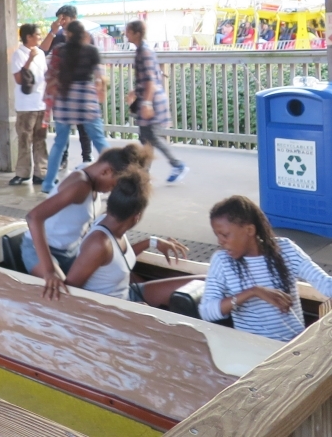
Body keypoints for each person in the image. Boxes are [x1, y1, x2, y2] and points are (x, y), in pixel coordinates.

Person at [22, 144, 150, 296]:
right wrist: (49, 271)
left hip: (69, 251)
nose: (111, 191)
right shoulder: (81, 185)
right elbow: (33, 217)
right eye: (113, 185)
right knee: (65, 294)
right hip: (39, 250)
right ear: (106, 171)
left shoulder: (93, 175)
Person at [200, 196, 332, 342]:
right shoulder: (222, 261)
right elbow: (206, 311)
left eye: (225, 235)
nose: (220, 241)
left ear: (249, 230)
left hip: (292, 345)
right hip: (252, 348)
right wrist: (253, 292)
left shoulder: (286, 250)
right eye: (217, 235)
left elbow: (324, 283)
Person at [58, 166, 193, 303]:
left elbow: (117, 260)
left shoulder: (112, 222)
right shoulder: (98, 243)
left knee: (199, 282)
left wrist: (152, 242)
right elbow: (70, 290)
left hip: (129, 294)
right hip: (114, 309)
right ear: (137, 216)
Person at [41, 21, 110, 194]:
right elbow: (100, 77)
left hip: (65, 98)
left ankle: (48, 182)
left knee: (59, 142)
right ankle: (118, 174)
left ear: (68, 34)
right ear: (83, 34)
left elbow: (49, 73)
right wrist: (101, 91)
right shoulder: (92, 50)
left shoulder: (59, 51)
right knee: (99, 139)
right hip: (86, 97)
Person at [125, 20, 188, 184]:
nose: (126, 34)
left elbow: (151, 81)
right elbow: (149, 77)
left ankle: (176, 164)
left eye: (128, 31)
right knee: (146, 137)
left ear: (136, 33)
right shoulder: (142, 50)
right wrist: (136, 92)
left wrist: (146, 103)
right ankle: (144, 174)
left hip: (151, 99)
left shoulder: (144, 52)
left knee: (150, 136)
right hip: (149, 97)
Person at [40, 4, 93, 167]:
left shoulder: (86, 36)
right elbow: (43, 50)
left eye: (64, 18)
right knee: (63, 126)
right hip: (62, 88)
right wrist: (52, 31)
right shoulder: (58, 36)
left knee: (83, 126)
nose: (61, 22)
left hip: (81, 87)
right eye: (59, 18)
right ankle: (63, 158)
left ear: (74, 18)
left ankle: (87, 158)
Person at [9, 24, 47, 186]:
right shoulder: (18, 54)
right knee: (24, 139)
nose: (39, 37)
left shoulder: (42, 53)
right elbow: (19, 79)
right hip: (26, 105)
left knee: (41, 139)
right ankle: (23, 173)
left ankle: (41, 173)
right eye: (37, 35)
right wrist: (30, 58)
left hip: (41, 102)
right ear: (28, 37)